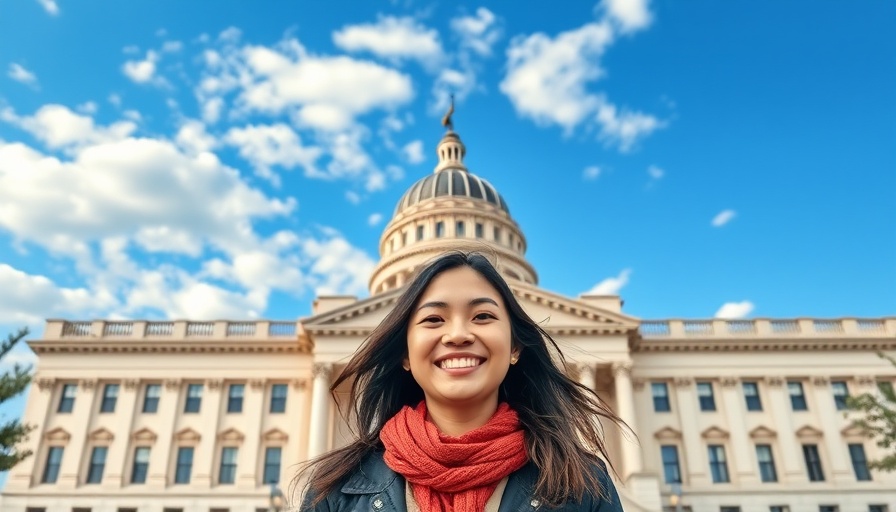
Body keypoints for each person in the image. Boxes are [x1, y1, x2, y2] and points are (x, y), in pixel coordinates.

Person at [297, 251, 627, 511]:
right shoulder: (334, 490)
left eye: (482, 316)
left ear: (515, 347)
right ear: (405, 354)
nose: (457, 335)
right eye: (433, 319)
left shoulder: (583, 486)